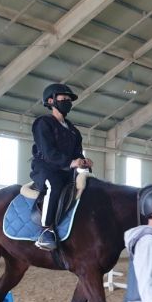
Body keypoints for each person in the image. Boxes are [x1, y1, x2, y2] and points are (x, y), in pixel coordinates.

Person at [30, 83, 93, 251]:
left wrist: (83, 161)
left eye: (69, 100)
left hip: (67, 170)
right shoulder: (43, 123)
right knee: (55, 186)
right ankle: (45, 230)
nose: (67, 102)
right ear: (51, 101)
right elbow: (48, 152)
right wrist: (70, 163)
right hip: (46, 168)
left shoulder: (74, 131)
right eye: (64, 98)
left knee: (89, 185)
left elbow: (77, 153)